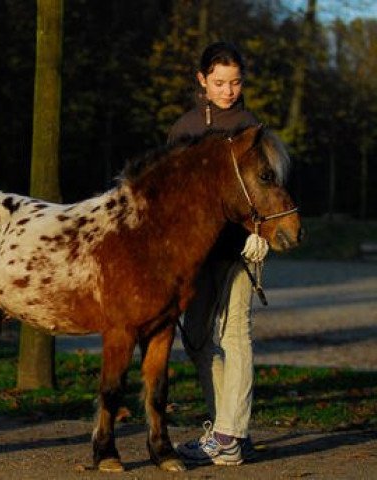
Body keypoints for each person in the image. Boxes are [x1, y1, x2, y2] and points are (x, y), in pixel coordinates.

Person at [167, 41, 268, 466]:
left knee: (235, 335)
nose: (229, 91)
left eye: (236, 82)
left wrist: (259, 230)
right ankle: (229, 427)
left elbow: (266, 185)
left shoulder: (249, 126)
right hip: (197, 254)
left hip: (240, 248)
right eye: (220, 82)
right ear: (202, 81)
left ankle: (229, 435)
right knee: (195, 338)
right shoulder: (184, 128)